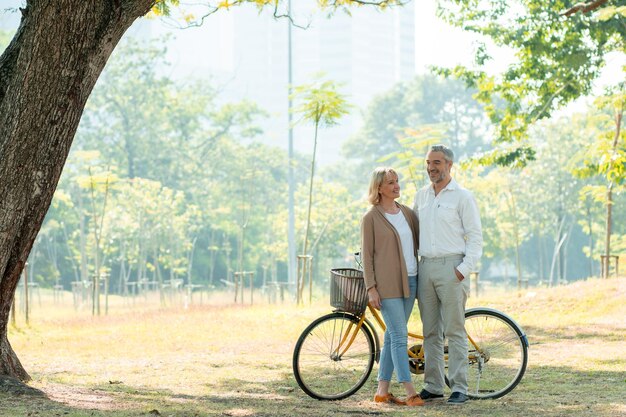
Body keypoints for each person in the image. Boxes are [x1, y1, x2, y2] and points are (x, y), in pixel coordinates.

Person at [412, 144, 483, 405]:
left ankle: (459, 387)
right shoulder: (421, 196)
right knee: (430, 332)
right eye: (429, 162)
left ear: (449, 165)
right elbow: (411, 233)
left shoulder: (462, 197)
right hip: (425, 267)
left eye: (437, 163)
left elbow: (475, 237)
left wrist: (463, 270)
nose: (431, 167)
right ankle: (433, 385)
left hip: (453, 267)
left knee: (454, 330)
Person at [361, 167, 424, 407]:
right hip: (386, 286)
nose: (396, 186)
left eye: (397, 181)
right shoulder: (371, 217)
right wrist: (371, 288)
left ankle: (381, 391)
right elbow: (367, 256)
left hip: (411, 281)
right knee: (399, 336)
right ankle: (409, 391)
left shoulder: (407, 213)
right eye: (390, 182)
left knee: (391, 336)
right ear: (379, 188)